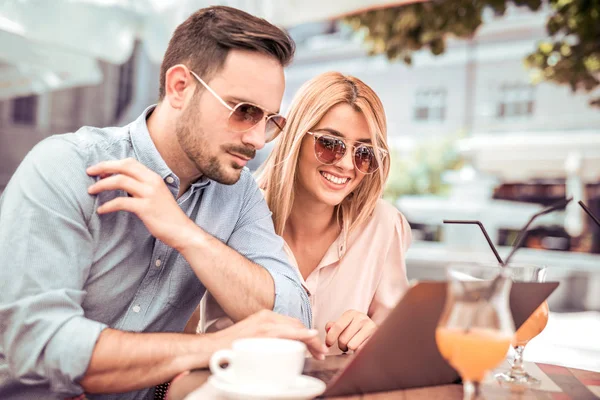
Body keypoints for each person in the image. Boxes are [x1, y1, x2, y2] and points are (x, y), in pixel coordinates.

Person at [0, 6, 328, 400]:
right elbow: (40, 347)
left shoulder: (237, 193)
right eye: (244, 112)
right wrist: (212, 347)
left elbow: (292, 319)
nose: (258, 140)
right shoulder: (65, 166)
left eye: (271, 120)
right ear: (179, 87)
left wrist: (187, 235)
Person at [198, 72, 412, 355]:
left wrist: (377, 337)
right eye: (329, 144)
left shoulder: (384, 226)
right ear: (296, 138)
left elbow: (400, 350)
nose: (347, 164)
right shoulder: (232, 211)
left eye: (364, 153)